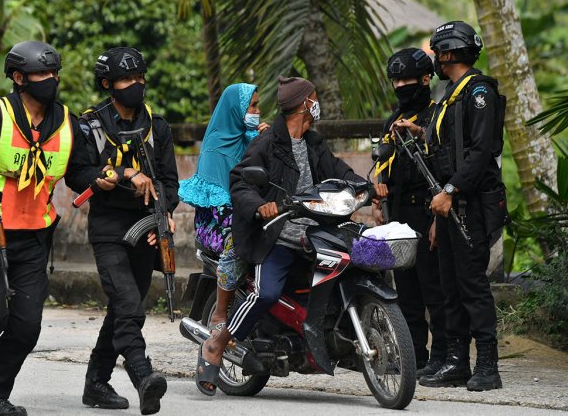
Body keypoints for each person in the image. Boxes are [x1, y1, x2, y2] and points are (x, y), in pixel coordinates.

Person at [0, 41, 115, 416]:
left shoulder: (68, 124)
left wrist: (98, 180)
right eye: (41, 74)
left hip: (35, 235)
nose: (50, 80)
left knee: (26, 325)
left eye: (54, 74)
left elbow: (77, 172)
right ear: (19, 78)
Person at [195, 76, 387, 395]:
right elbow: (241, 183)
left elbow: (339, 171)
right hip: (277, 234)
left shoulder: (313, 142)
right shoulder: (267, 143)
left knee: (364, 258)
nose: (318, 103)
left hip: (316, 228)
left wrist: (366, 187)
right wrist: (261, 206)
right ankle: (217, 342)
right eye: (314, 97)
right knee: (266, 293)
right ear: (304, 104)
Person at [397, 21, 508, 391]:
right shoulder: (451, 95)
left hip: (469, 204)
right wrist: (419, 133)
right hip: (447, 205)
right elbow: (447, 145)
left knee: (473, 285)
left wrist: (450, 190)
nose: (435, 61)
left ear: (448, 53)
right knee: (450, 286)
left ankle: (488, 367)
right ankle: (456, 362)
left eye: (437, 53)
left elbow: (480, 154)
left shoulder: (478, 92)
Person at [77, 47, 179, 415]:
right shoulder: (89, 125)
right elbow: (77, 174)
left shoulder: (158, 126)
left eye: (140, 78)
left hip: (145, 228)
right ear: (107, 84)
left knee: (123, 307)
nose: (136, 85)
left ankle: (96, 382)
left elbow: (169, 181)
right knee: (129, 305)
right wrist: (119, 175)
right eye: (126, 79)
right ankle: (143, 375)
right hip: (108, 227)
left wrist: (162, 216)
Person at [372, 48, 447, 378]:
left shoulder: (435, 117)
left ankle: (445, 356)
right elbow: (382, 163)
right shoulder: (392, 122)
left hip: (428, 212)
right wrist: (378, 195)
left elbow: (445, 168)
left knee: (435, 290)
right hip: (398, 216)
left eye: (407, 80)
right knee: (406, 292)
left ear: (426, 79)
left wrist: (436, 220)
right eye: (396, 81)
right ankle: (415, 354)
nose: (401, 86)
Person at [178, 83, 269, 332]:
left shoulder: (252, 137)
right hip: (217, 221)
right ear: (235, 109)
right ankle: (219, 314)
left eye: (257, 105)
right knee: (239, 243)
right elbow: (219, 202)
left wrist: (270, 140)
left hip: (249, 210)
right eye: (253, 106)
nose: (257, 111)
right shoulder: (215, 147)